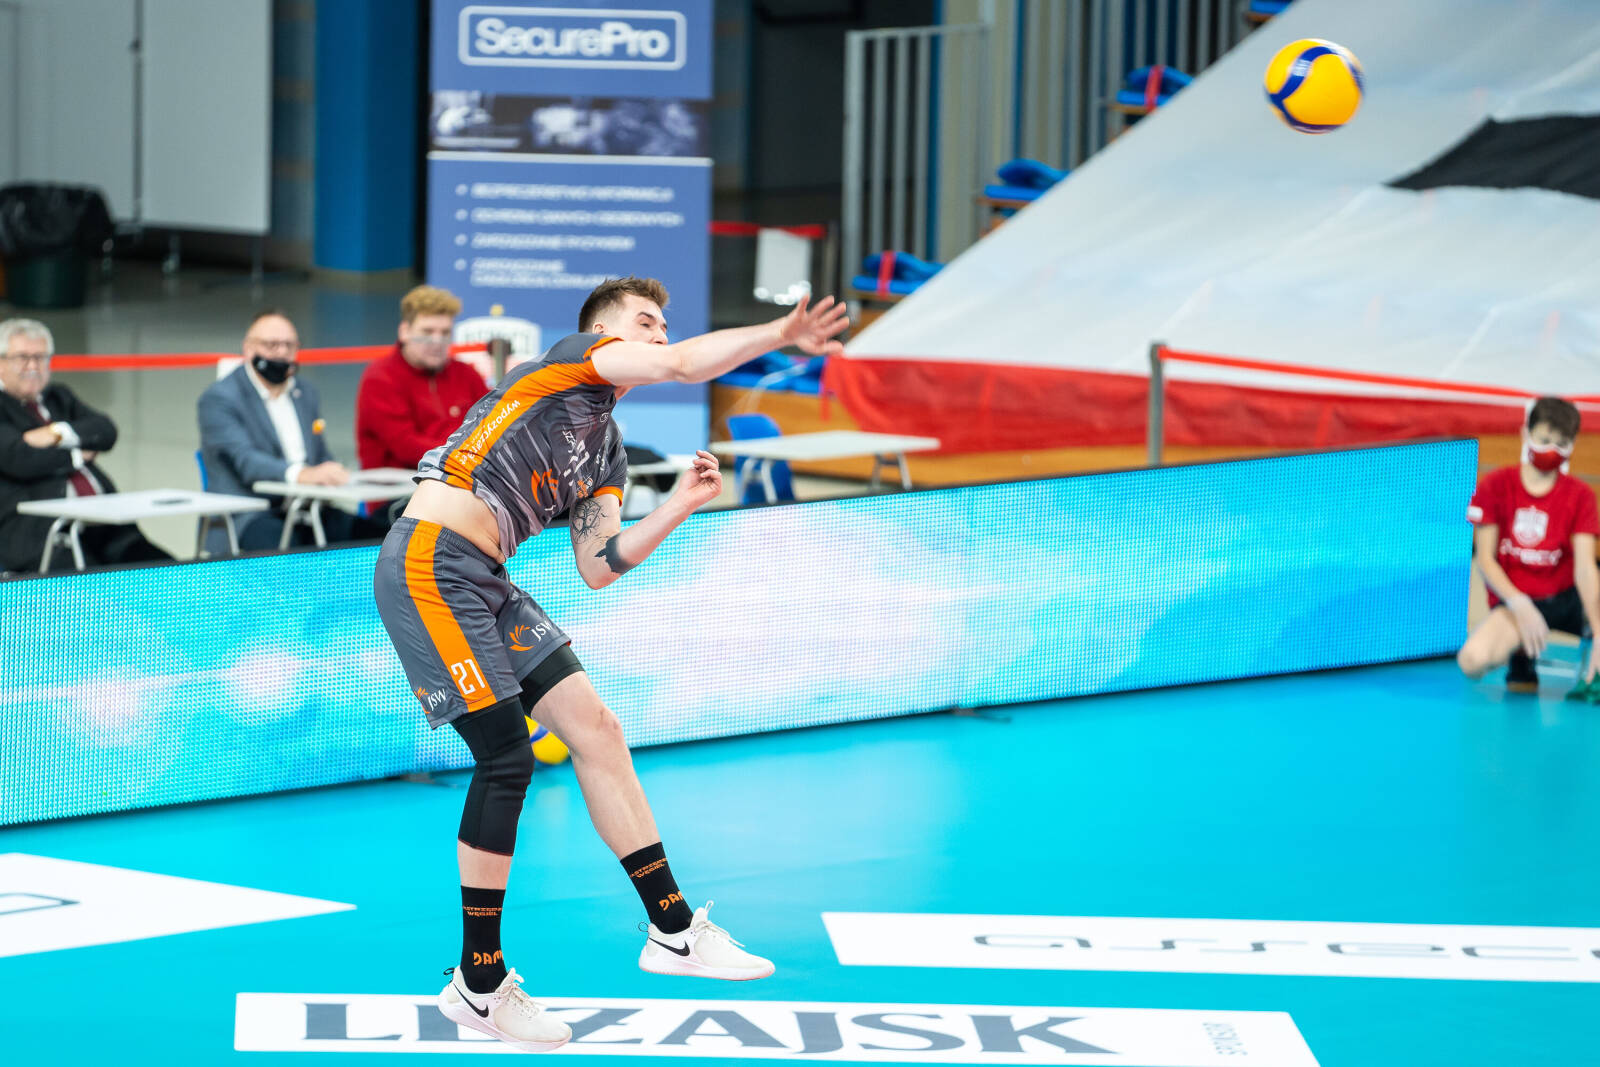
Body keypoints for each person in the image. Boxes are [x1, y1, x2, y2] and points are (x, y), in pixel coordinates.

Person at [373, 276, 847, 1052]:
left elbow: (598, 564)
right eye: (646, 323)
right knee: (506, 757)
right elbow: (685, 365)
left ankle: (672, 930)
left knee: (598, 729)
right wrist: (779, 334)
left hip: (487, 577)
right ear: (605, 334)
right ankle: (480, 981)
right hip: (430, 560)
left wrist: (678, 504)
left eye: (665, 325)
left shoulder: (608, 450)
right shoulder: (570, 361)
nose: (660, 336)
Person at [0, 317, 171, 573]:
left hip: (105, 524)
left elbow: (105, 431)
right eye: (22, 357)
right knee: (96, 587)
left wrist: (56, 432)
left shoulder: (59, 396)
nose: (33, 366)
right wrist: (77, 454)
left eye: (41, 357)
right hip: (41, 533)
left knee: (168, 573)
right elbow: (18, 458)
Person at [197, 309, 370, 553]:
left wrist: (334, 472)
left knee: (375, 536)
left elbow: (320, 454)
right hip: (252, 515)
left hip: (308, 509)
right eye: (271, 345)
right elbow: (246, 461)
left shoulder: (305, 392)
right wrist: (302, 474)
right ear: (248, 348)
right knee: (292, 554)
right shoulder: (220, 399)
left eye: (289, 346)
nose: (281, 352)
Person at [1458, 397, 1600, 692]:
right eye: (1544, 440)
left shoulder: (1581, 495)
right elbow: (1485, 560)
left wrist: (1599, 630)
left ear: (1572, 445)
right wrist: (1519, 604)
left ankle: (1590, 649)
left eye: (1561, 443)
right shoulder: (1495, 485)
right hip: (1516, 600)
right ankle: (1520, 653)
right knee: (1472, 660)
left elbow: (1586, 568)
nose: (1551, 450)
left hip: (1566, 598)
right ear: (1526, 434)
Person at [356, 285, 488, 473]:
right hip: (400, 485)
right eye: (427, 332)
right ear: (404, 332)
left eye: (445, 333)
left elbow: (492, 427)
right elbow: (406, 446)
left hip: (461, 476)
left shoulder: (466, 374)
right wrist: (468, 455)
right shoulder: (380, 378)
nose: (437, 341)